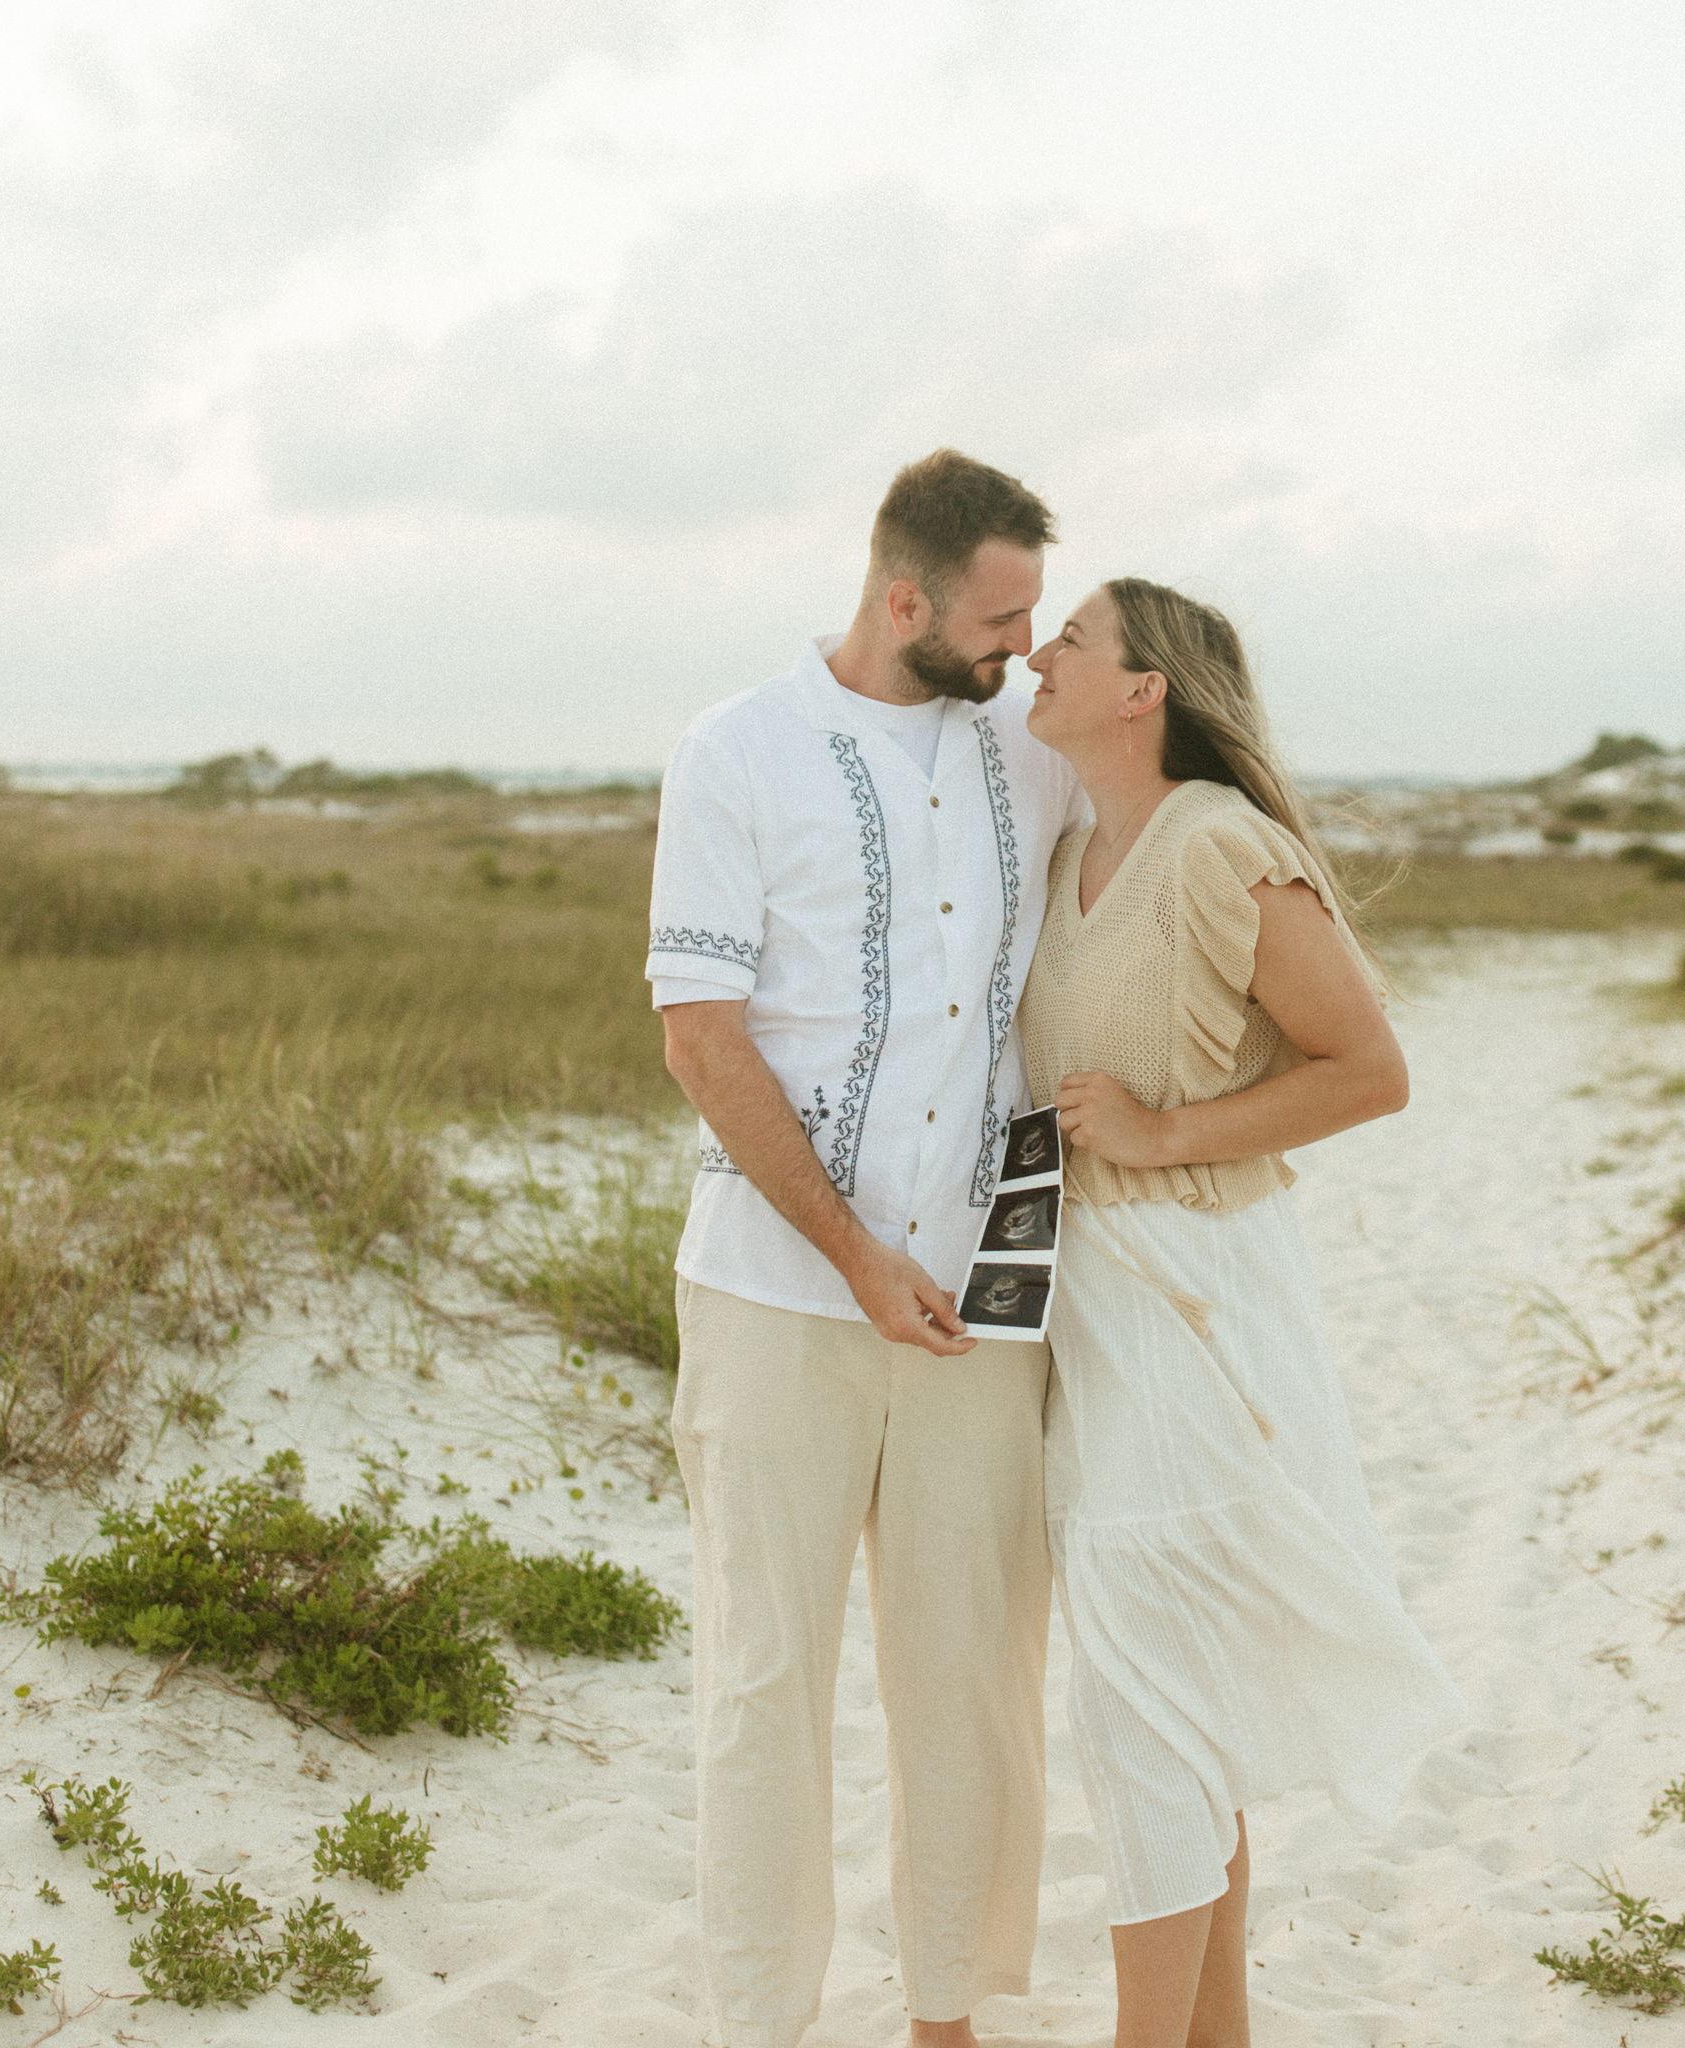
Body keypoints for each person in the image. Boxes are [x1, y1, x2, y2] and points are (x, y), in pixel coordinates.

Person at [648, 448, 1090, 2048]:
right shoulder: (737, 753)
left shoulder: (1037, 757)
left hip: (988, 1303)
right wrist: (850, 1256)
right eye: (1000, 619)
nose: (1026, 649)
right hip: (775, 1294)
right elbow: (702, 1040)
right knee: (765, 1679)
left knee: (971, 1675)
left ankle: (945, 2017)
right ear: (905, 600)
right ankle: (760, 2024)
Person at [1015, 578, 1472, 2048]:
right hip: (1090, 1314)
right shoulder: (1075, 848)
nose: (1038, 654)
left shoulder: (1218, 845)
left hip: (1196, 1306)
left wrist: (1161, 1135)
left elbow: (1372, 1069)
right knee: (1171, 1706)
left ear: (1144, 688)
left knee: (1148, 1712)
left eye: (1072, 638)